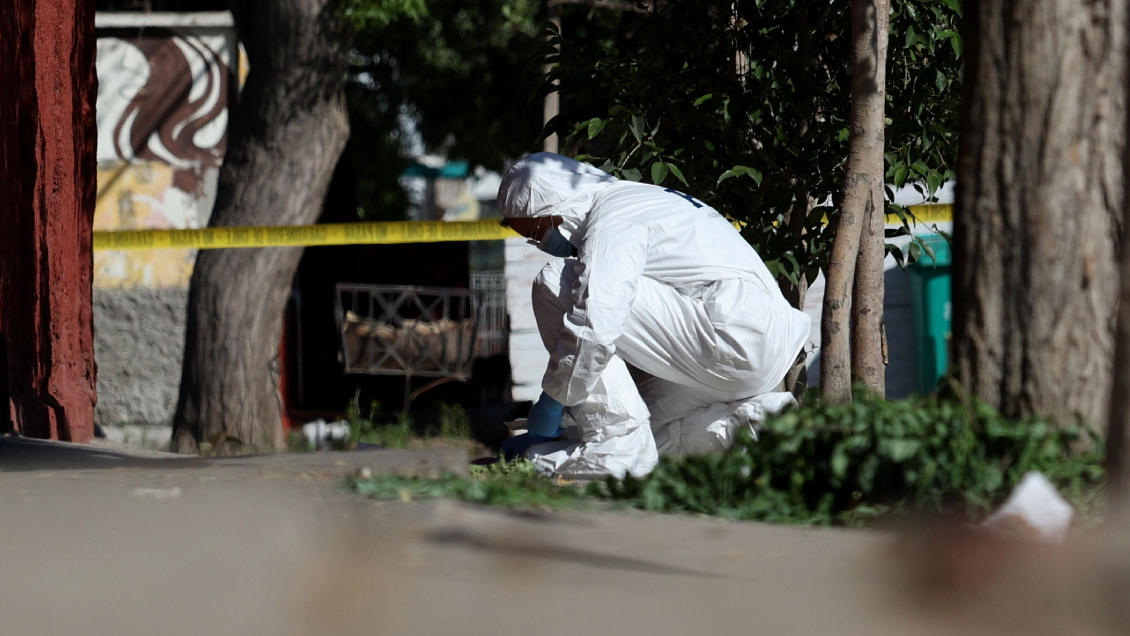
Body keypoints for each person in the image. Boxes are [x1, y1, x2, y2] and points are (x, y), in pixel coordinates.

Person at [498, 152, 811, 480]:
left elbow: (597, 322)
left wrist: (554, 398)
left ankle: (615, 447)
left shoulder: (614, 216)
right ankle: (762, 431)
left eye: (537, 232)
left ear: (555, 208)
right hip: (754, 353)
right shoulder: (641, 198)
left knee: (557, 280)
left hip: (731, 334)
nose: (539, 242)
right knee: (652, 435)